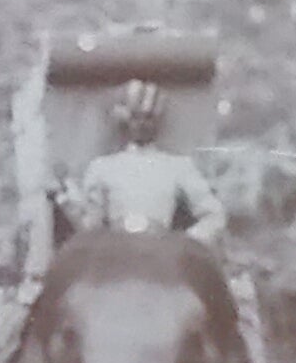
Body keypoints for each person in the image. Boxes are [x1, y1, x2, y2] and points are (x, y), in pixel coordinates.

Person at [61, 78, 226, 247]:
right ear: (126, 121)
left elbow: (214, 215)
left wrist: (184, 243)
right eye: (136, 117)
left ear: (157, 121)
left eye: (148, 118)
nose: (142, 124)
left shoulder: (178, 166)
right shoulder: (102, 167)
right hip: (114, 252)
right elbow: (91, 226)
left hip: (160, 250)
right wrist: (69, 202)